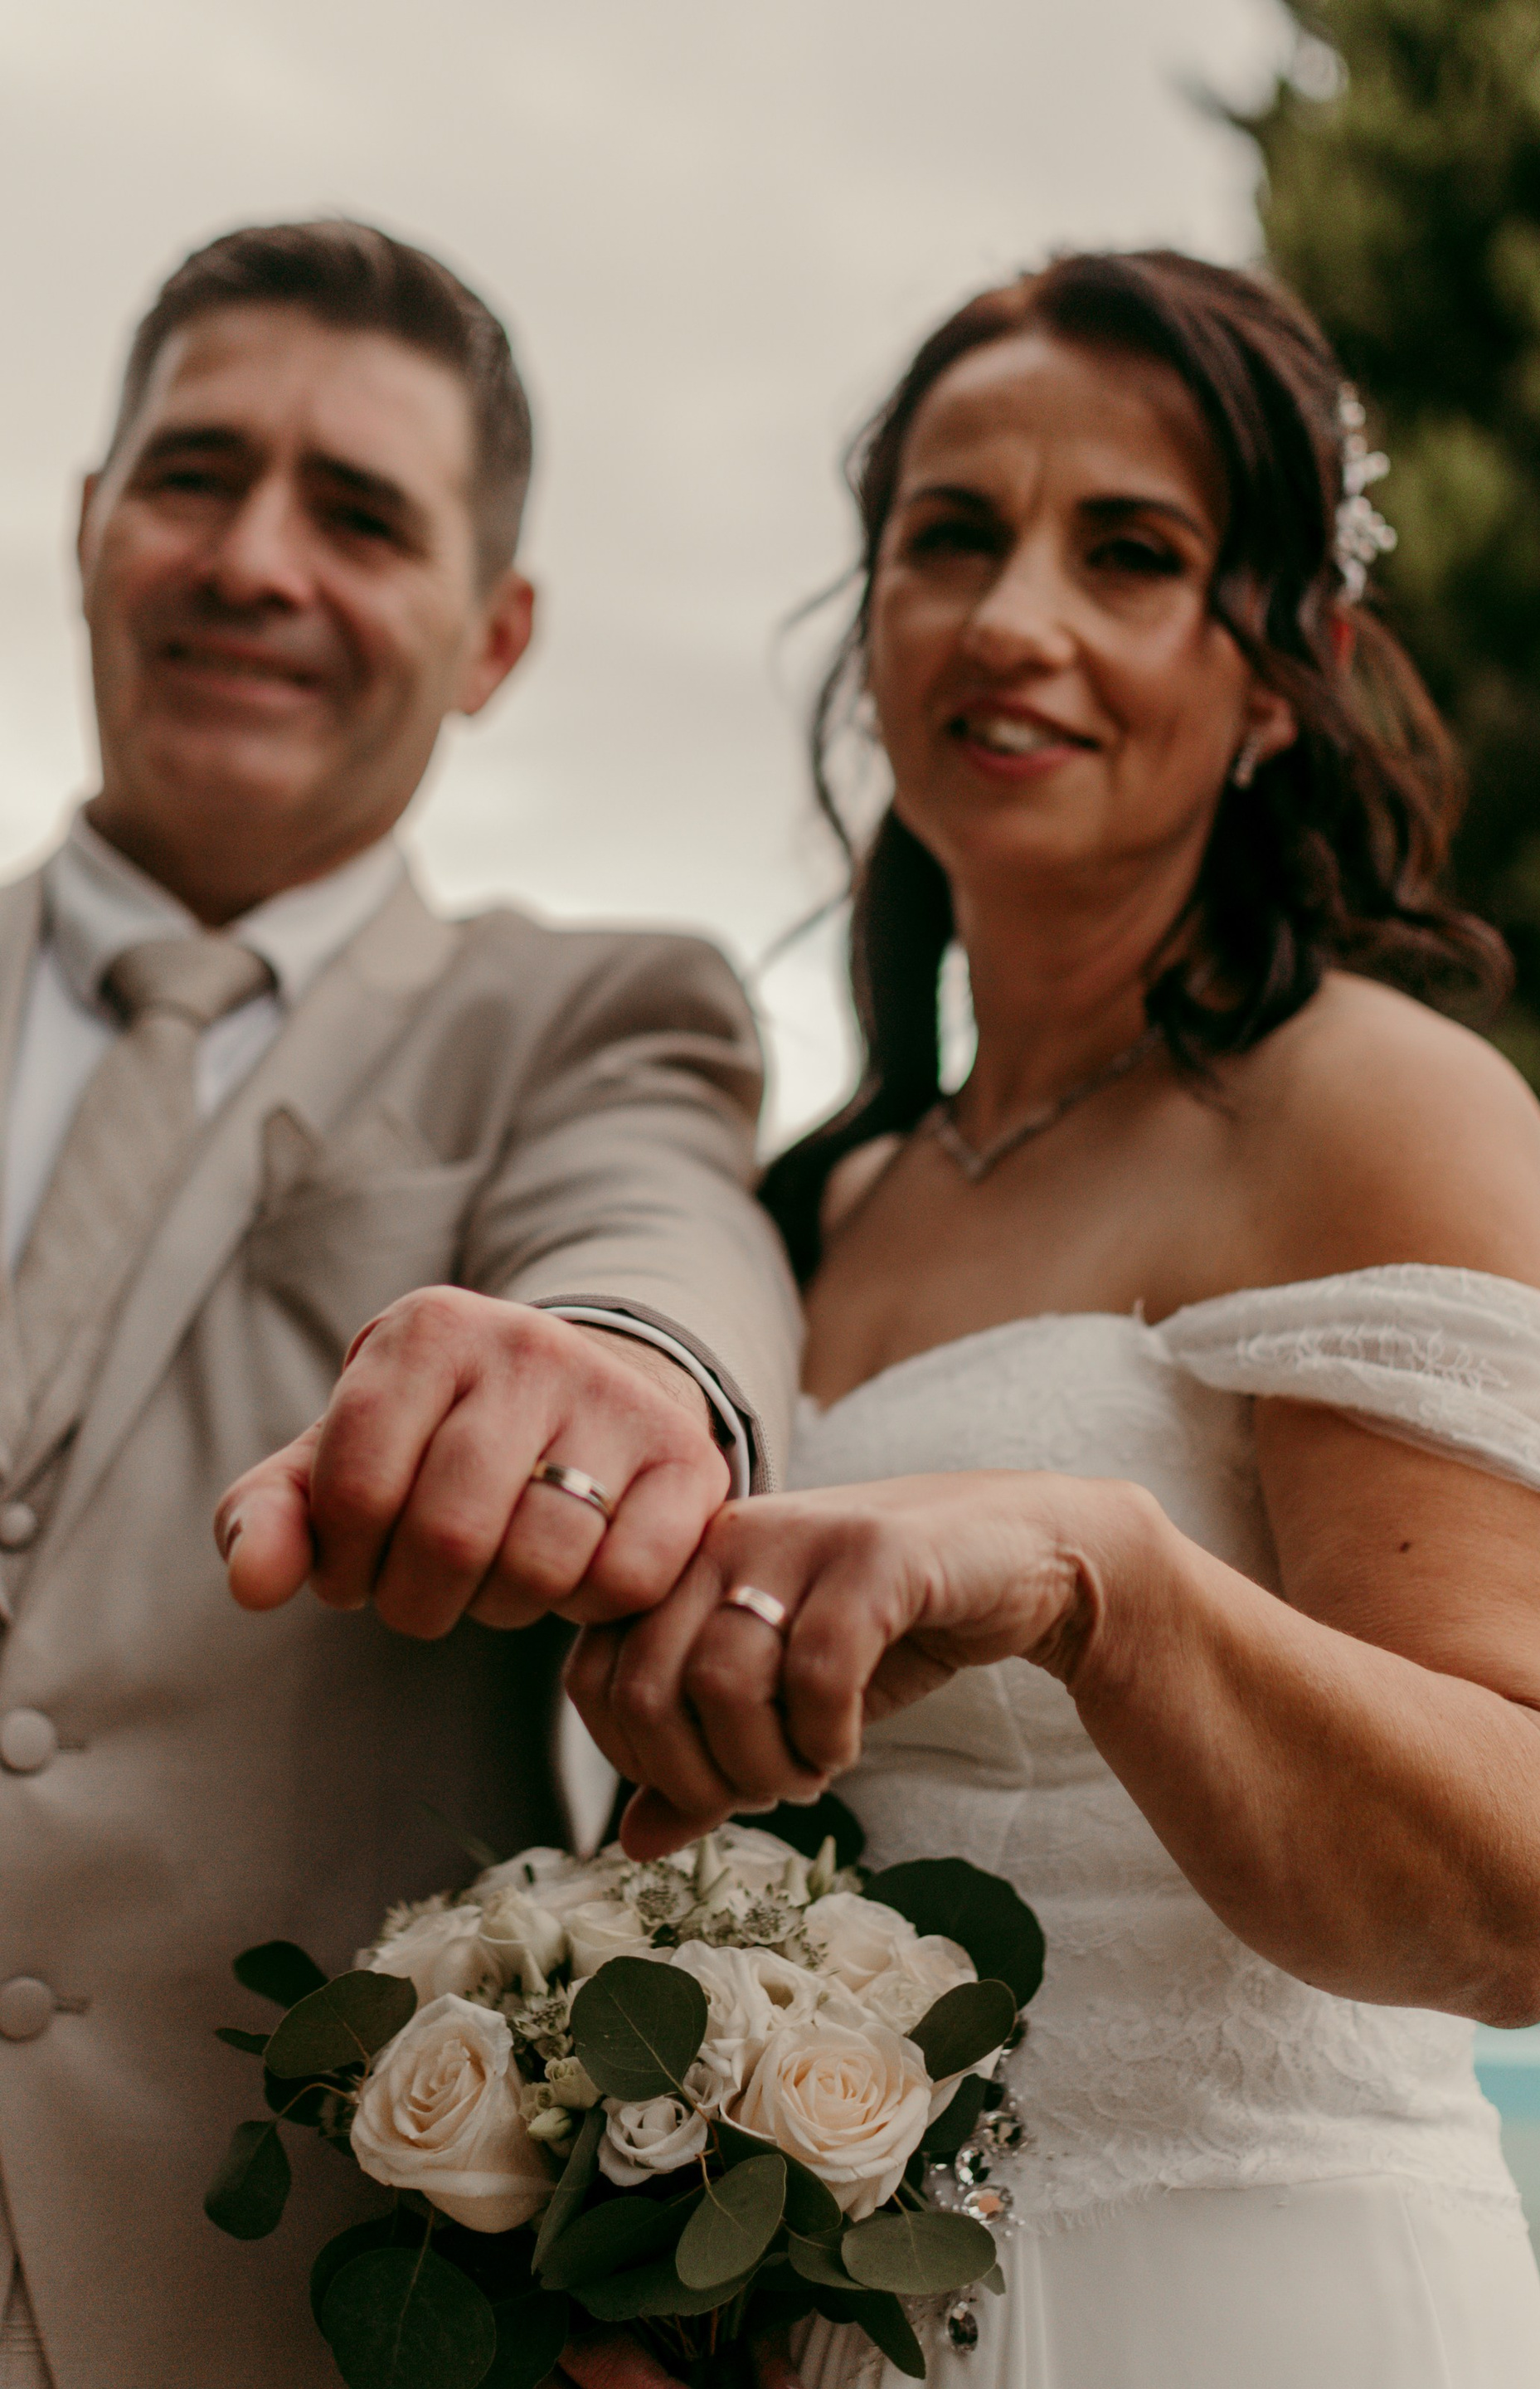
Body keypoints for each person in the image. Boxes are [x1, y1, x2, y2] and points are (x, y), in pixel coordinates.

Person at [564, 251, 1540, 2387]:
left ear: (1289, 673)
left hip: (1247, 2298)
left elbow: (1518, 1902)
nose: (1012, 619)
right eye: (952, 537)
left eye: (1128, 554)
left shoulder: (1371, 1107)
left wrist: (1099, 1576)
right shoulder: (823, 1206)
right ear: (875, 625)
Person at [0, 218, 798, 2389]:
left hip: (250, 2314)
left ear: (494, 634)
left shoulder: (585, 1017)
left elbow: (656, 1238)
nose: (255, 560)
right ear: (90, 525)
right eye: (195, 478)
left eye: (358, 515)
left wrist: (629, 1376)